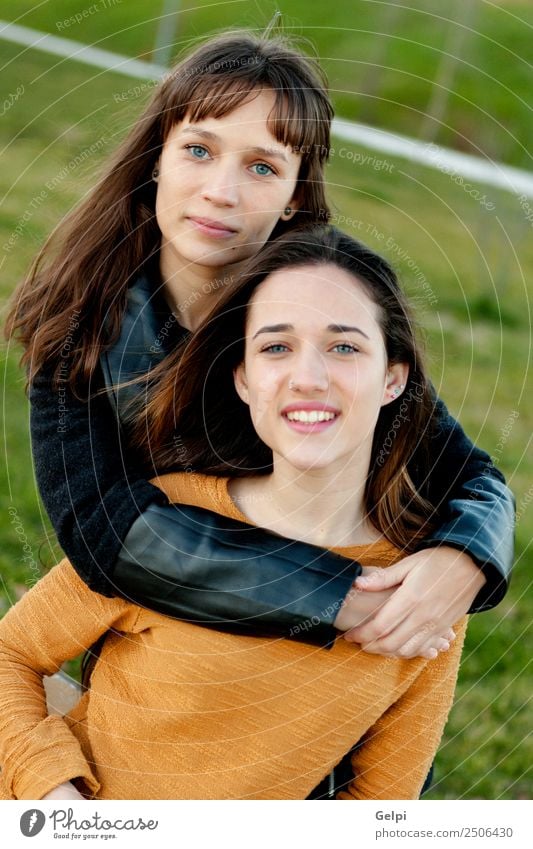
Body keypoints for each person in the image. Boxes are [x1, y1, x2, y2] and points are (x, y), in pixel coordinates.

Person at [4, 31, 513, 662]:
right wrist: (341, 598)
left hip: (340, 668)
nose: (222, 191)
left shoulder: (332, 292)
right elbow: (106, 531)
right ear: (157, 156)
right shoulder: (81, 327)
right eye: (198, 150)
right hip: (163, 661)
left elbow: (471, 478)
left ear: (297, 192)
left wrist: (463, 559)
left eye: (263, 167)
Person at [0, 226, 474, 800]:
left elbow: (381, 808)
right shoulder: (167, 516)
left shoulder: (424, 594)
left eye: (344, 346)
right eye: (276, 347)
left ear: (393, 378)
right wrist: (57, 802)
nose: (308, 378)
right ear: (245, 380)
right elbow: (11, 655)